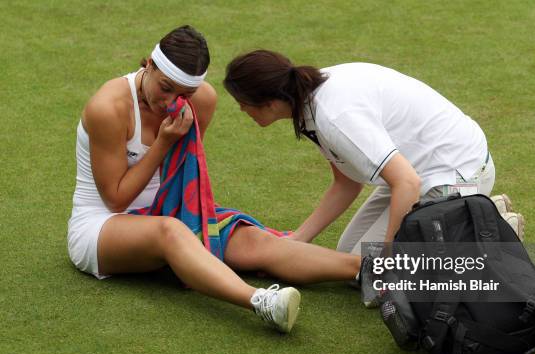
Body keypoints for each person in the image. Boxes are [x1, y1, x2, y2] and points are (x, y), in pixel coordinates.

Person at [67, 26, 361, 334]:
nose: (172, 102)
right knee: (171, 231)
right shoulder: (108, 108)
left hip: (169, 212)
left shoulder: (203, 100)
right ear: (149, 66)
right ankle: (262, 302)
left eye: (184, 95)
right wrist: (163, 143)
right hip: (102, 227)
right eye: (166, 88)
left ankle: (368, 271)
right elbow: (115, 198)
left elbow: (181, 173)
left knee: (256, 241)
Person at [223, 50, 525, 255]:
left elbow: (406, 182)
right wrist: (298, 239)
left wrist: (389, 261)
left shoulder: (335, 117)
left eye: (242, 101)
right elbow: (346, 184)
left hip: (460, 173)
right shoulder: (307, 101)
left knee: (373, 271)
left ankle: (483, 224)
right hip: (418, 171)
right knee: (348, 254)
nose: (240, 109)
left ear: (269, 101)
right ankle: (471, 212)